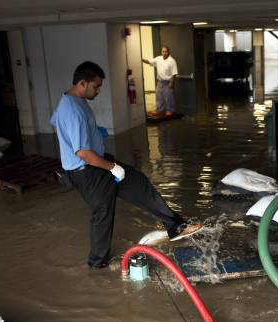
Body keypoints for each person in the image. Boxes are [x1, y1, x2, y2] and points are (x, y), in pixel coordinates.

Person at [50, 61, 202, 269]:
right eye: (96, 87)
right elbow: (83, 153)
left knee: (138, 182)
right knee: (103, 214)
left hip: (95, 162)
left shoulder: (69, 101)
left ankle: (176, 226)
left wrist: (93, 132)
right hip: (87, 172)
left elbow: (55, 122)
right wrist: (112, 168)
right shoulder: (72, 110)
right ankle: (97, 265)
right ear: (82, 84)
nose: (98, 91)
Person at [142, 46, 177, 117]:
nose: (164, 53)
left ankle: (170, 111)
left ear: (168, 52)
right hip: (160, 82)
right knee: (159, 97)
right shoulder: (158, 59)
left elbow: (174, 73)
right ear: (161, 52)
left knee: (168, 96)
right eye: (163, 51)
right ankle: (159, 110)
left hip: (167, 82)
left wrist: (171, 82)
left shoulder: (172, 61)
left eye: (166, 51)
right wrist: (141, 59)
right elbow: (149, 61)